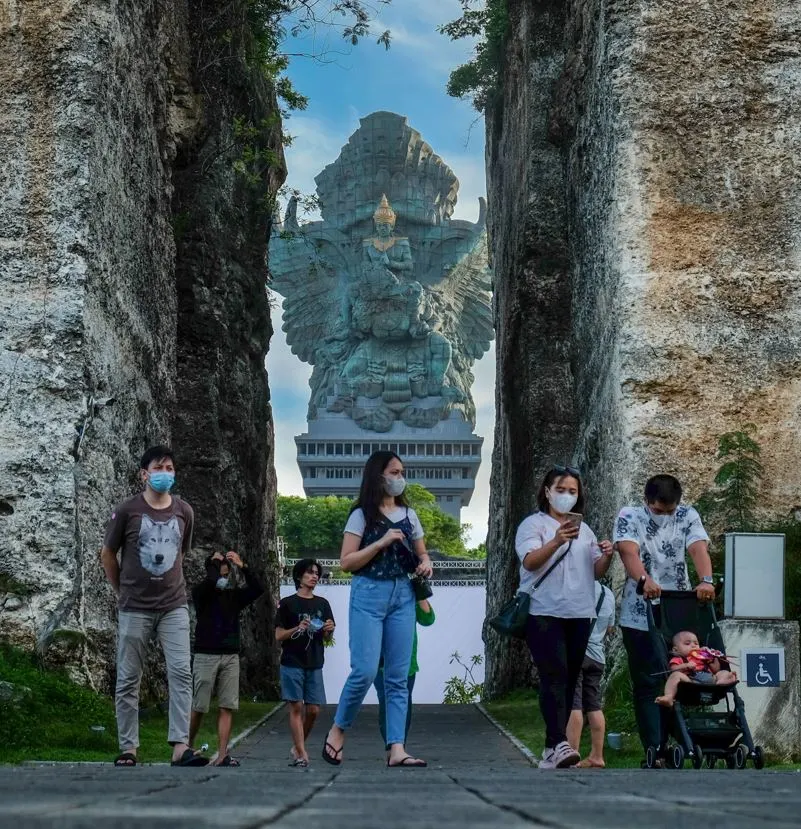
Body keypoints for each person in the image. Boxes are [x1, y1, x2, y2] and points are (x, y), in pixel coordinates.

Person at [322, 451, 433, 768]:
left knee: (397, 677)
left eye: (402, 472)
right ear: (378, 475)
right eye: (394, 472)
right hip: (369, 593)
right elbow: (346, 562)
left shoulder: (410, 515)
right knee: (366, 670)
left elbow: (423, 554)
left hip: (403, 595)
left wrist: (425, 564)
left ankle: (397, 748)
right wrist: (380, 543)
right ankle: (338, 730)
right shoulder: (361, 515)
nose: (400, 478)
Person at [100, 445, 206, 767]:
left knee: (180, 673)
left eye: (170, 468)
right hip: (134, 608)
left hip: (174, 606)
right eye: (159, 468)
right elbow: (108, 553)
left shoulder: (184, 511)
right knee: (129, 678)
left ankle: (180, 746)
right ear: (144, 474)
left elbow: (181, 552)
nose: (165, 474)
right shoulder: (128, 510)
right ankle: (128, 748)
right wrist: (123, 590)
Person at [515, 465, 614, 769]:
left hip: (580, 612)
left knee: (570, 678)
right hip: (544, 610)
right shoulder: (533, 525)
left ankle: (550, 749)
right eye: (561, 490)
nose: (567, 496)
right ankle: (559, 741)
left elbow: (596, 572)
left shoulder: (585, 530)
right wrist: (556, 540)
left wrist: (607, 555)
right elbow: (530, 562)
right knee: (553, 674)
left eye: (573, 491)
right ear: (546, 492)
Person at [614, 474, 715, 763]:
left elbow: (697, 547)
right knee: (648, 680)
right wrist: (643, 579)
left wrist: (706, 580)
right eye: (658, 510)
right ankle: (655, 747)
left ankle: (680, 740)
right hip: (640, 610)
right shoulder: (629, 515)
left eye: (669, 511)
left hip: (675, 607)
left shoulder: (687, 515)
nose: (664, 515)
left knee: (679, 674)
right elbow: (628, 551)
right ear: (647, 502)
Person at [189, 551, 264, 766]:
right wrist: (214, 562)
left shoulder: (233, 596)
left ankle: (222, 754)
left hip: (230, 655)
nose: (224, 565)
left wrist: (243, 566)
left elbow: (257, 588)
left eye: (225, 563)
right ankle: (186, 747)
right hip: (206, 654)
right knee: (199, 705)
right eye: (220, 563)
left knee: (227, 705)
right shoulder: (201, 592)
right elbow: (211, 581)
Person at [275, 558, 335, 768]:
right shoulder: (288, 603)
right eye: (309, 572)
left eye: (317, 573)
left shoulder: (322, 604)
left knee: (314, 710)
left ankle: (298, 745)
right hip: (291, 661)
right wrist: (297, 628)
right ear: (299, 576)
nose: (314, 576)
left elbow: (327, 638)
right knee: (296, 706)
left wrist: (329, 629)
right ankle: (301, 753)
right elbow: (279, 635)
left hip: (315, 662)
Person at [374, 597, 435, 748]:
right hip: (381, 661)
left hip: (406, 662)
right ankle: (391, 747)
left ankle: (400, 746)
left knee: (404, 705)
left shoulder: (410, 594)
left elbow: (428, 619)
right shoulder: (378, 592)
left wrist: (419, 587)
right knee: (386, 703)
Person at [566, 581, 615, 768]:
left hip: (578, 653)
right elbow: (610, 628)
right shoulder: (607, 593)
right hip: (598, 658)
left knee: (575, 703)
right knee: (593, 705)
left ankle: (572, 753)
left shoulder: (574, 587)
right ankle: (597, 755)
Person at [655, 631, 737, 707]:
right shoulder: (679, 658)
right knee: (675, 675)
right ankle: (669, 696)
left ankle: (722, 682)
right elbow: (673, 669)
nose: (693, 646)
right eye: (687, 643)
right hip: (691, 682)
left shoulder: (703, 657)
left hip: (712, 681)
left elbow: (716, 670)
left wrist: (712, 658)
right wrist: (686, 665)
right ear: (676, 650)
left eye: (696, 643)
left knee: (723, 672)